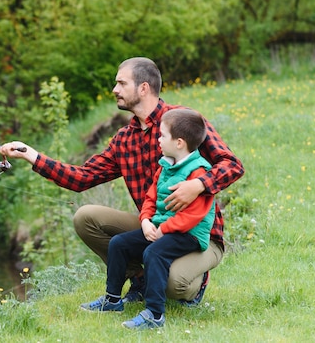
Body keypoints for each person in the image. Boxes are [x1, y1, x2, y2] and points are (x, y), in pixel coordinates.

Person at [0, 57, 244, 307]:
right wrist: (31, 155)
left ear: (143, 88)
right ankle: (139, 278)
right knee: (85, 217)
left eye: (121, 83)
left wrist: (198, 185)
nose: (114, 89)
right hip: (154, 226)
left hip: (197, 236)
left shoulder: (183, 122)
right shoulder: (123, 141)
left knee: (174, 285)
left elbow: (232, 165)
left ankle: (196, 282)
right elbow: (81, 178)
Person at [81, 108, 216, 330]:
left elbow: (193, 216)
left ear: (180, 142)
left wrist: (164, 230)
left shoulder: (199, 172)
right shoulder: (165, 165)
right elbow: (151, 198)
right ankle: (112, 300)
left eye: (163, 135)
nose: (158, 139)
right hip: (161, 227)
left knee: (154, 252)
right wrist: (145, 220)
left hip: (189, 234)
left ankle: (154, 314)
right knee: (119, 243)